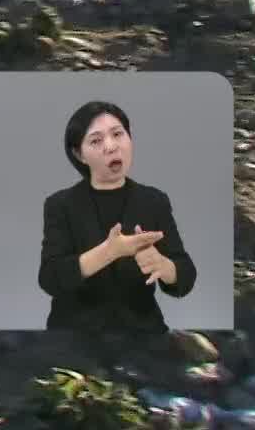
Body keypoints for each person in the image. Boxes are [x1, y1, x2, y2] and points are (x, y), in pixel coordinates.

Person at [37, 100, 197, 333]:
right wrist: (109, 252)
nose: (111, 146)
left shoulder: (154, 201)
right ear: (79, 154)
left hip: (143, 336)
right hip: (73, 337)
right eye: (96, 140)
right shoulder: (60, 205)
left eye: (118, 134)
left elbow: (185, 275)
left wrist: (163, 265)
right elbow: (50, 277)